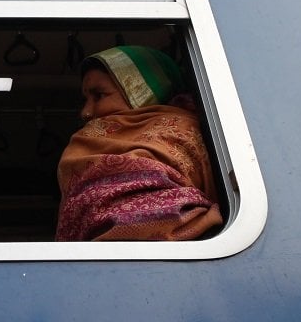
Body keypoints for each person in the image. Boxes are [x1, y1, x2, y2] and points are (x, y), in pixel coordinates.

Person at [55, 45, 223, 241]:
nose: (86, 112)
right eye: (86, 99)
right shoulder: (83, 145)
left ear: (142, 92)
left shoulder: (187, 131)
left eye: (99, 95)